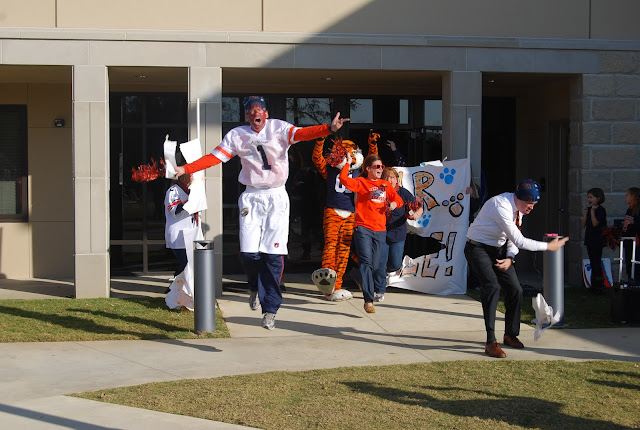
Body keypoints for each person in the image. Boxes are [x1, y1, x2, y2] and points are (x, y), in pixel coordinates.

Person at [174, 96, 349, 329]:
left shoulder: (279, 128)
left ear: (265, 113)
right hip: (251, 195)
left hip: (276, 196)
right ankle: (256, 286)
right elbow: (214, 157)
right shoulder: (237, 135)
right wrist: (185, 168)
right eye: (250, 111)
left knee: (273, 256)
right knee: (248, 253)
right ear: (247, 115)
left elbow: (304, 134)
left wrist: (328, 128)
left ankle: (270, 308)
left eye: (259, 110)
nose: (255, 114)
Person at [464, 179, 568, 358]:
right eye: (529, 204)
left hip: (499, 249)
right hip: (478, 247)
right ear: (518, 198)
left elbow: (512, 237)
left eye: (534, 204)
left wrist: (510, 258)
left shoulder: (519, 209)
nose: (531, 208)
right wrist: (548, 247)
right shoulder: (501, 205)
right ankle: (491, 342)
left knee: (515, 289)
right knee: (492, 286)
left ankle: (510, 334)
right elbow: (520, 240)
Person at [339, 153, 404, 313]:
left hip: (380, 230)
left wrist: (394, 203)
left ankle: (357, 274)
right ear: (368, 168)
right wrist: (347, 164)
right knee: (367, 263)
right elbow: (344, 180)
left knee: (376, 266)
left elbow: (398, 199)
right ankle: (368, 300)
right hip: (363, 228)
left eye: (381, 166)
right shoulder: (361, 182)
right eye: (377, 166)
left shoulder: (385, 185)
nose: (380, 169)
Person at [376, 167, 423, 302]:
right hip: (381, 232)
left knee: (395, 263)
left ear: (397, 179)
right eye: (386, 177)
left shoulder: (403, 192)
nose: (389, 180)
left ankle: (391, 273)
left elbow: (418, 207)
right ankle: (380, 290)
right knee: (381, 262)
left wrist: (416, 215)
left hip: (398, 232)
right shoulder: (377, 192)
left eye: (392, 177)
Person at [164, 171, 204, 307]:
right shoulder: (173, 190)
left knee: (186, 265)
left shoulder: (192, 190)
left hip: (190, 233)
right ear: (183, 177)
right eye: (191, 175)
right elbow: (174, 210)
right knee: (186, 265)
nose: (193, 178)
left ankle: (177, 292)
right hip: (179, 235)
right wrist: (190, 201)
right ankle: (179, 295)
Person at [581, 188, 607, 290]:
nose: (589, 199)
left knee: (597, 261)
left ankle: (599, 284)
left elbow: (595, 223)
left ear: (598, 198)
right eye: (588, 197)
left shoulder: (600, 210)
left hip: (598, 239)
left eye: (591, 197)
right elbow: (583, 225)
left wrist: (592, 212)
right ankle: (593, 284)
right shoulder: (589, 209)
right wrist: (585, 214)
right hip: (590, 239)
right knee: (592, 261)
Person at [622, 187, 640, 284]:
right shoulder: (629, 210)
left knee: (635, 262)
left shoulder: (638, 210)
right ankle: (630, 279)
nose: (626, 197)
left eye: (627, 195)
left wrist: (631, 227)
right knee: (628, 261)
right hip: (628, 240)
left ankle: (636, 281)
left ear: (633, 197)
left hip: (636, 242)